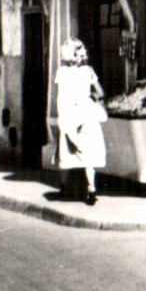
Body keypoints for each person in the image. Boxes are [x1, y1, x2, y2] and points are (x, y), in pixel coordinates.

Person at [54, 37, 107, 205]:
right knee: (89, 152)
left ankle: (63, 187)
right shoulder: (88, 71)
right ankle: (91, 189)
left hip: (69, 114)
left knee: (66, 150)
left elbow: (60, 96)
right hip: (87, 113)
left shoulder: (61, 72)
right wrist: (91, 97)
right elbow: (101, 93)